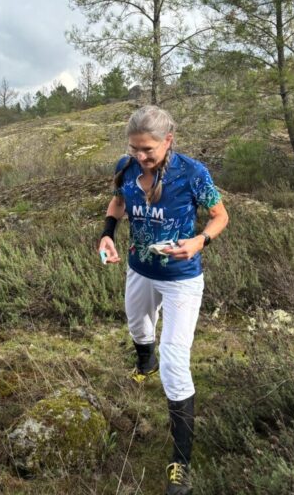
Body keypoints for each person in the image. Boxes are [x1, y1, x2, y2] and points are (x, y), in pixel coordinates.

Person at [98, 105, 228, 495]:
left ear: (168, 141)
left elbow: (220, 215)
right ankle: (144, 360)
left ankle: (180, 465)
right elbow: (119, 203)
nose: (141, 157)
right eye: (135, 148)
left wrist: (199, 241)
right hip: (139, 269)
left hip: (181, 280)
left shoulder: (193, 173)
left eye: (149, 150)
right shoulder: (126, 167)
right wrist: (107, 234)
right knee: (137, 326)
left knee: (175, 363)